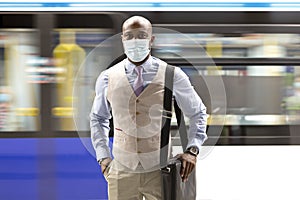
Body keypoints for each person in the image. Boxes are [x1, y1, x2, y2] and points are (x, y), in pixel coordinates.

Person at [90, 15, 207, 200]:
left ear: (151, 39)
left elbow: (198, 112)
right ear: (122, 39)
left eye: (141, 35)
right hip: (121, 171)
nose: (135, 41)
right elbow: (98, 118)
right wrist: (103, 156)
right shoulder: (107, 77)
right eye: (129, 36)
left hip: (160, 171)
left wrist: (192, 150)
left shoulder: (172, 75)